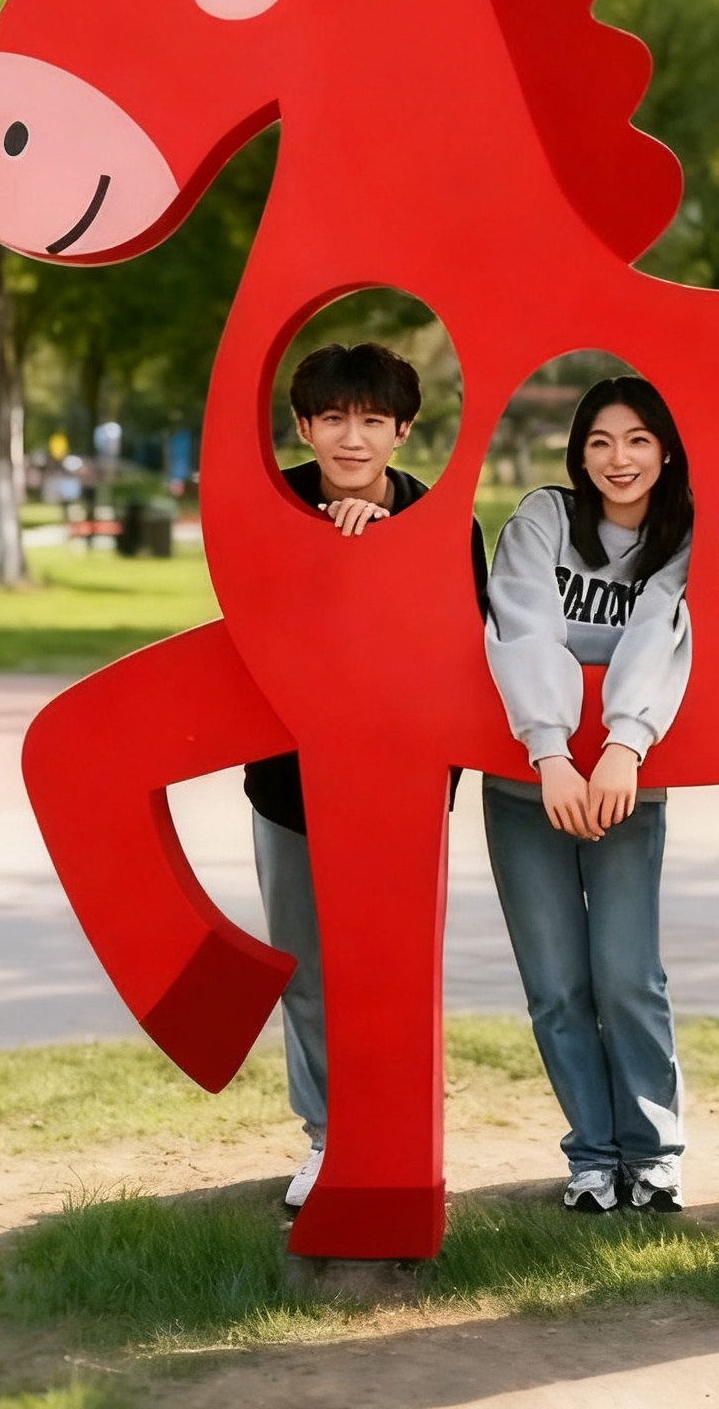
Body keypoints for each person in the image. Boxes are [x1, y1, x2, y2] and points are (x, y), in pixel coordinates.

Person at [241, 342, 484, 1214]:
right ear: (303, 426)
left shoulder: (444, 520)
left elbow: (464, 660)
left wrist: (386, 561)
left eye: (373, 420)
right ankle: (326, 1139)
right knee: (306, 969)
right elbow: (260, 640)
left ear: (403, 430)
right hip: (289, 782)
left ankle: (389, 1141)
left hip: (403, 789)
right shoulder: (271, 508)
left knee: (389, 976)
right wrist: (331, 560)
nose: (352, 438)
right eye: (334, 419)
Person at [483, 376, 693, 1214]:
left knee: (626, 972)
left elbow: (657, 630)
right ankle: (594, 1156)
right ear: (579, 453)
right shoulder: (544, 519)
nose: (619, 459)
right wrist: (547, 752)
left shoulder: (678, 535)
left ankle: (655, 1151)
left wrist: (621, 745)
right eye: (600, 441)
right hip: (528, 781)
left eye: (638, 439)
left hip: (620, 783)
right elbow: (523, 626)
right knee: (557, 982)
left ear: (665, 450)